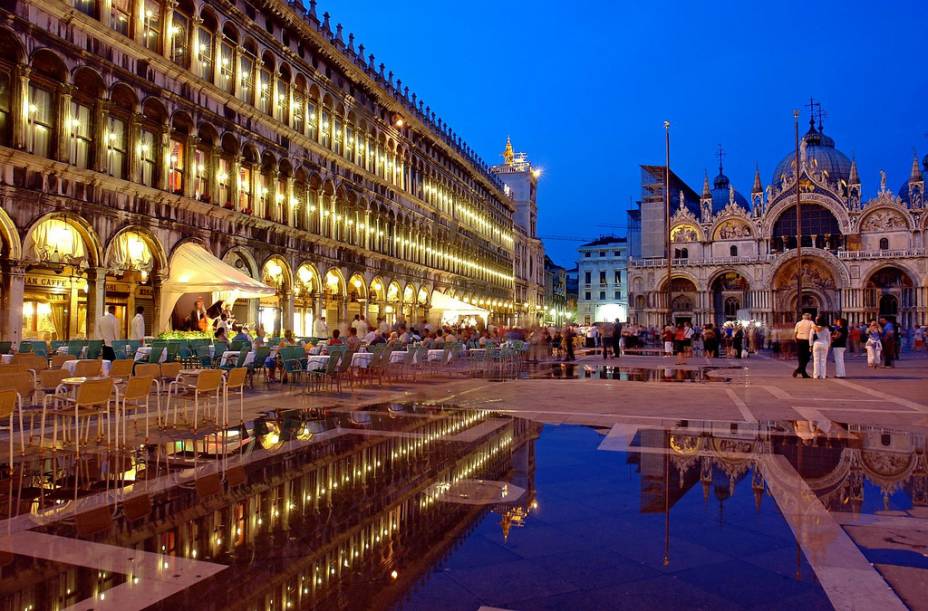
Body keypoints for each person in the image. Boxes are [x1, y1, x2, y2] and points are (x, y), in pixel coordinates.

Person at [793, 312, 815, 379]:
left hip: (799, 341)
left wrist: (796, 341)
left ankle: (802, 372)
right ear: (809, 317)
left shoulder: (798, 323)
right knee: (807, 357)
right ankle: (799, 370)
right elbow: (815, 329)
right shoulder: (811, 322)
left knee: (800, 357)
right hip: (807, 342)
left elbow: (795, 334)